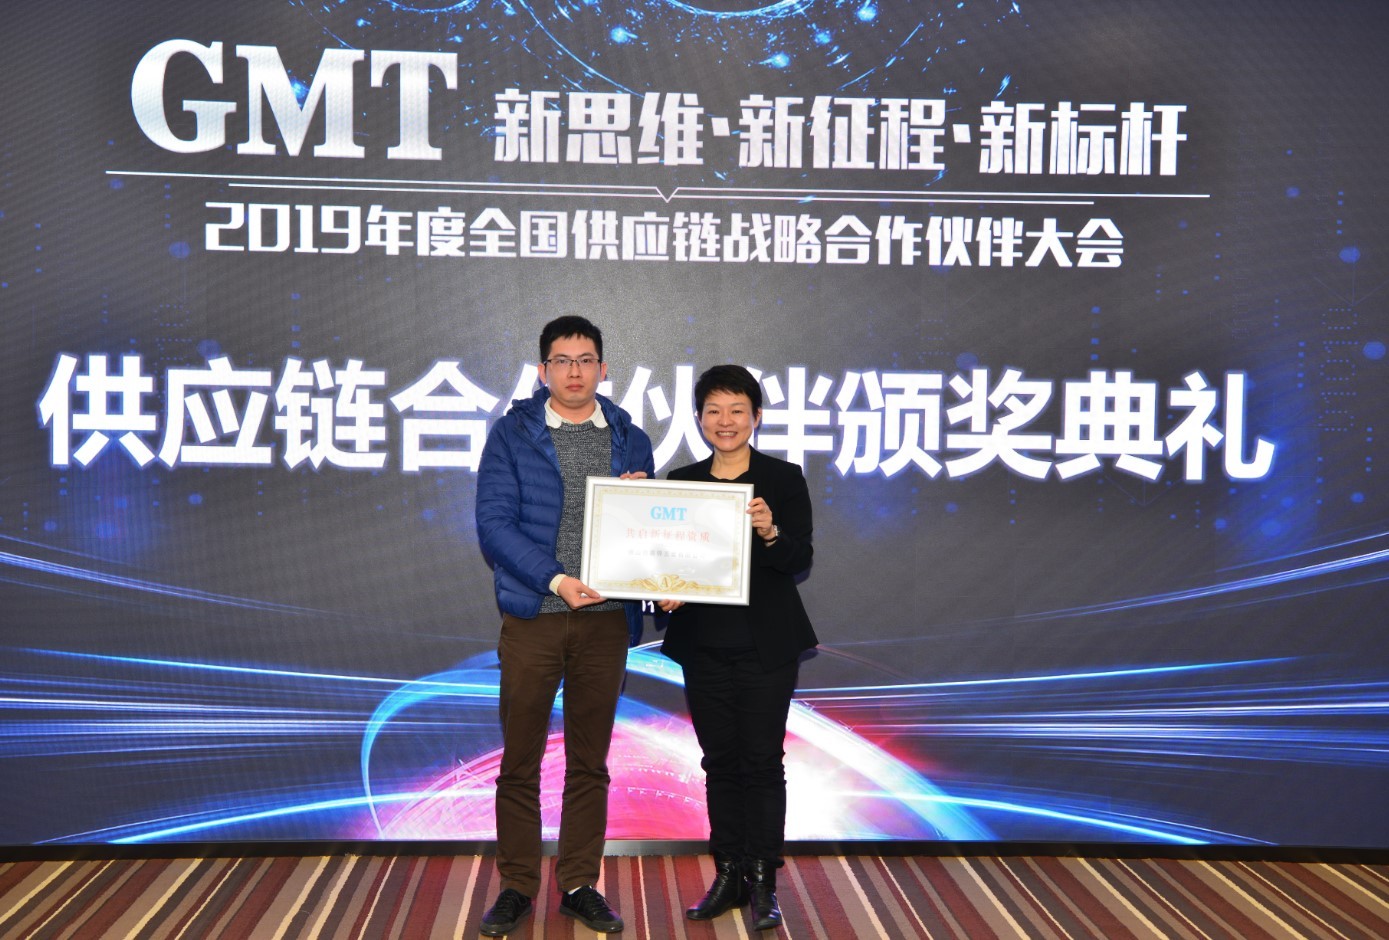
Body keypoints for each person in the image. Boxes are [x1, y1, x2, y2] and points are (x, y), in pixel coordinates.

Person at [474, 315, 654, 936]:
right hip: (535, 619)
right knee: (520, 761)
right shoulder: (512, 434)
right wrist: (555, 580)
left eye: (585, 360)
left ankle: (579, 883)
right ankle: (517, 886)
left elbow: (646, 531)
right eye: (562, 360)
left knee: (590, 762)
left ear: (603, 368)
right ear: (543, 369)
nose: (574, 371)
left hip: (606, 623)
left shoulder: (630, 437)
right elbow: (494, 525)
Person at [658, 364, 818, 931]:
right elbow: (665, 562)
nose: (724, 421)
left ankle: (763, 880)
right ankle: (727, 873)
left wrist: (771, 531)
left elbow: (799, 558)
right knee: (719, 762)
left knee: (762, 762)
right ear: (699, 418)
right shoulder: (681, 481)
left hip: (766, 647)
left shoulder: (783, 478)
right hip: (703, 646)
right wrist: (662, 590)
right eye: (713, 411)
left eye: (737, 410)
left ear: (755, 417)